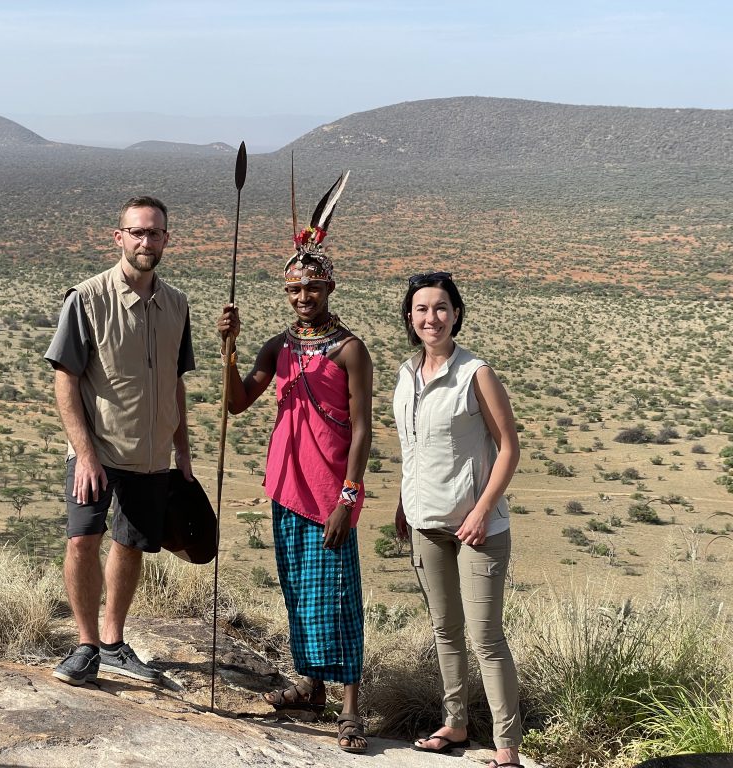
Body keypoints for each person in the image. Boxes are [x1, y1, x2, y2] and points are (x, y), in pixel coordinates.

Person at [217, 173, 373, 754]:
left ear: (329, 287)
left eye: (312, 287)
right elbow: (237, 401)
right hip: (286, 488)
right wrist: (228, 348)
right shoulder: (279, 346)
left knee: (339, 596)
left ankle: (351, 708)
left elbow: (362, 429)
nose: (302, 297)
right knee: (298, 591)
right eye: (293, 290)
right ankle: (311, 689)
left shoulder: (350, 349)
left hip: (330, 494)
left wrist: (349, 499)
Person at [45, 196, 195, 687]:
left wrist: (183, 455)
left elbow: (176, 383)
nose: (145, 241)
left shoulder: (177, 305)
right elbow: (65, 380)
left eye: (154, 233)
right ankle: (86, 645)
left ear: (166, 239)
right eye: (136, 232)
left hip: (150, 455)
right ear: (119, 237)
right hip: (99, 450)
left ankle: (112, 641)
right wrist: (85, 454)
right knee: (83, 539)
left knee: (130, 545)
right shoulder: (86, 299)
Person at [392, 272, 522, 768]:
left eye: (441, 308)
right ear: (410, 317)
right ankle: (456, 722)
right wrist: (405, 504)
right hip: (426, 522)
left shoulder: (476, 373)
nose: (432, 318)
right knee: (445, 629)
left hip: (478, 528)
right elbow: (414, 451)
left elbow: (509, 447)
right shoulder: (406, 373)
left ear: (457, 313)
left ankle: (507, 749)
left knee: (486, 637)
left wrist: (484, 509)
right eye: (422, 309)